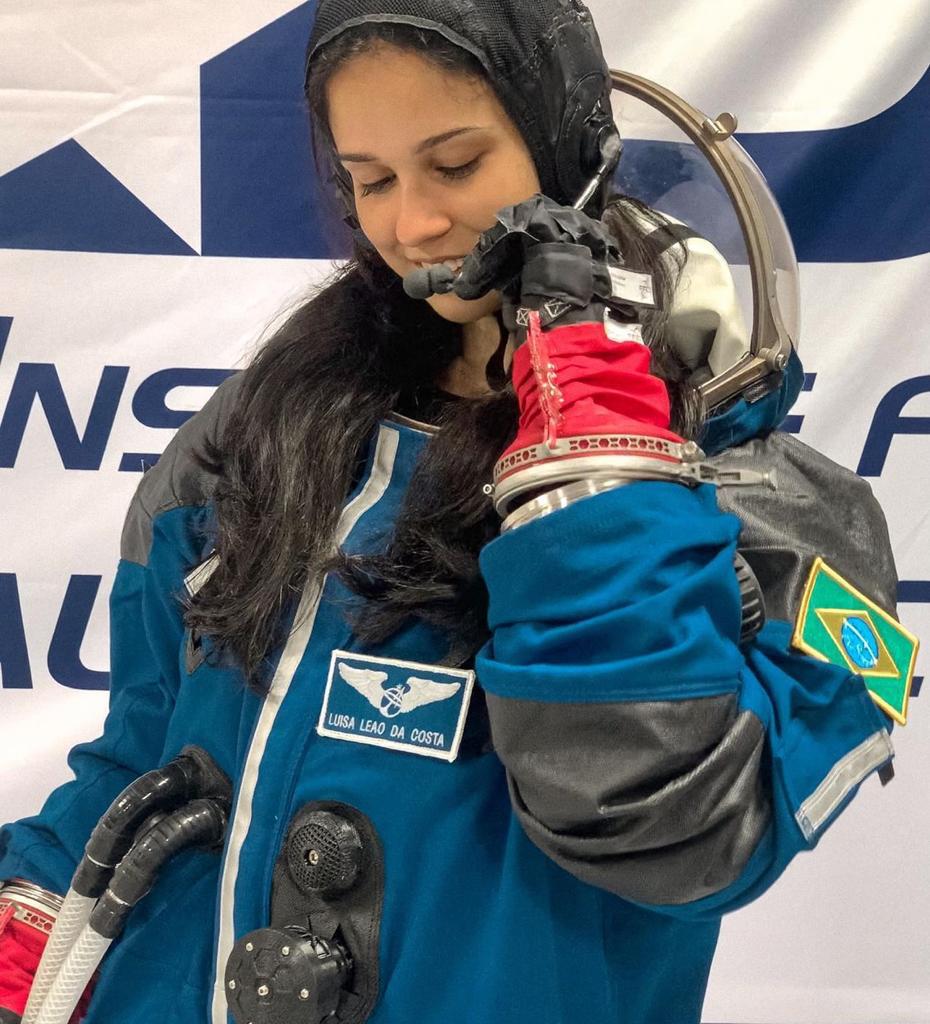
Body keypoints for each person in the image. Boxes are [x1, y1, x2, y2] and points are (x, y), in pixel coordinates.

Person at [0, 1, 910, 1022]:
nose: (414, 223)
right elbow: (141, 755)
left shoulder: (778, 511)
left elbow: (668, 828)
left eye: (457, 163)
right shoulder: (269, 426)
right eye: (373, 180)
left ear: (566, 144)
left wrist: (592, 438)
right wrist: (27, 921)